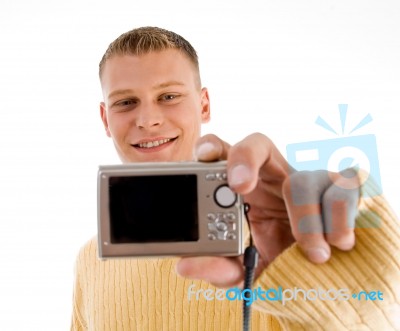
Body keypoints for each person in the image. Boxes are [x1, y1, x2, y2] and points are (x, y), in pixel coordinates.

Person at [70, 26, 400, 330]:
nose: (147, 119)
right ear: (105, 118)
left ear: (203, 105)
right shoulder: (90, 260)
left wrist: (348, 271)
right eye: (126, 102)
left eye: (168, 96)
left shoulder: (272, 232)